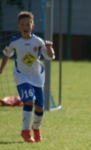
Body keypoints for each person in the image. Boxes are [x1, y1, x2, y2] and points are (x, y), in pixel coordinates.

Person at [0, 11, 55, 142]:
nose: (25, 27)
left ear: (33, 26)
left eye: (28, 24)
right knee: (29, 100)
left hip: (37, 77)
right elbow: (7, 54)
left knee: (40, 107)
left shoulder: (38, 41)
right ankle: (25, 131)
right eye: (22, 24)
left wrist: (49, 47)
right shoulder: (14, 41)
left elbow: (50, 56)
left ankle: (36, 128)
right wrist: (1, 69)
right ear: (18, 27)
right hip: (22, 76)